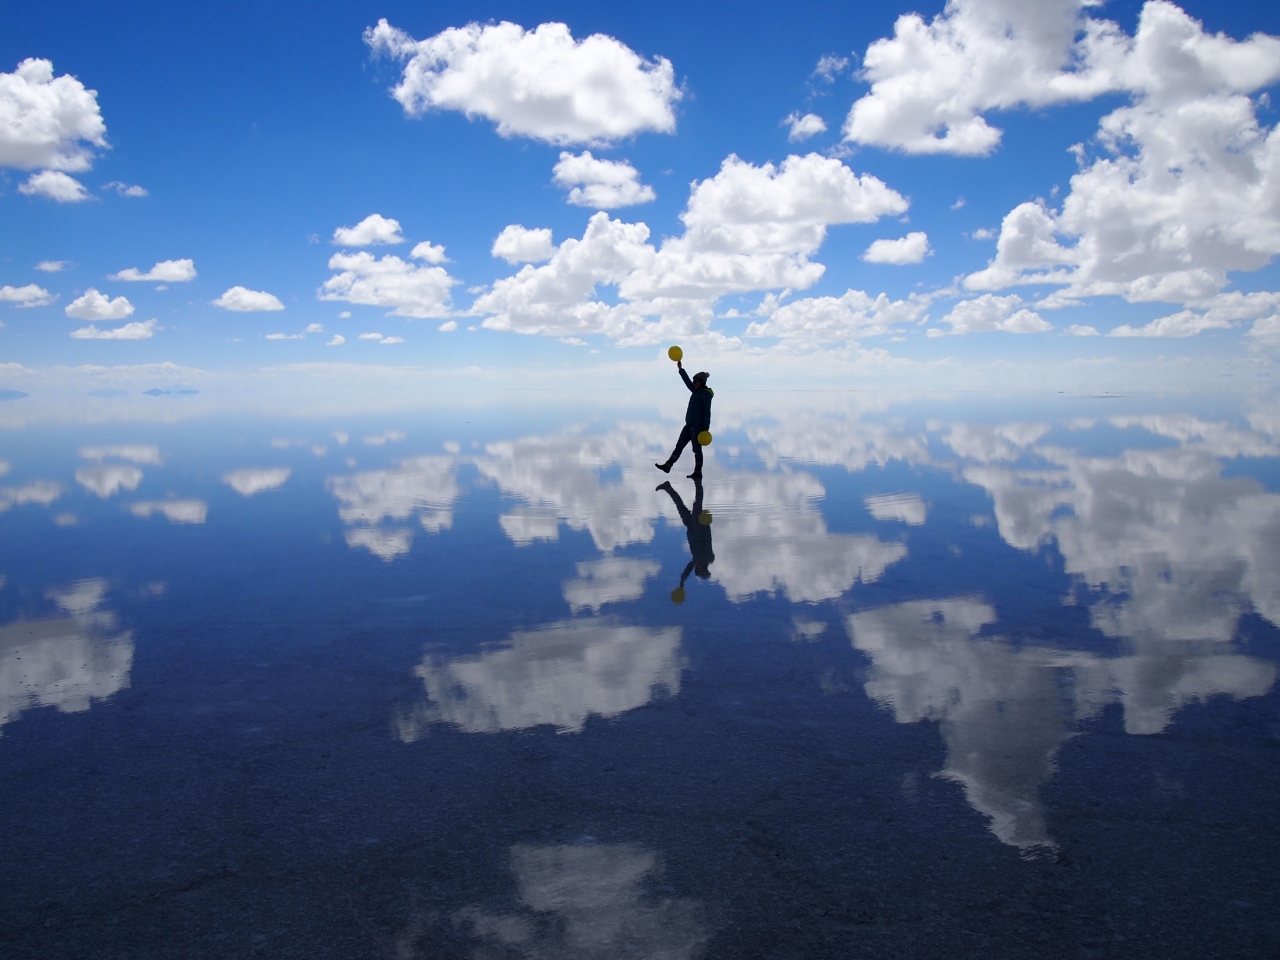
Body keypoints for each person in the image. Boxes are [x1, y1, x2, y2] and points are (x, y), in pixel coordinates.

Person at [656, 475, 713, 601]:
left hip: (691, 527)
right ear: (701, 568)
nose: (696, 567)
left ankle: (668, 487)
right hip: (698, 526)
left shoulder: (697, 560)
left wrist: (682, 581)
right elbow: (708, 541)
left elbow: (688, 568)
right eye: (698, 569)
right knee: (697, 502)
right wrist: (706, 525)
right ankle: (698, 481)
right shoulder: (707, 557)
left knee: (680, 505)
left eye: (696, 569)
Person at [656, 360, 712, 479]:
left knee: (697, 450)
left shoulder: (705, 395)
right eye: (694, 381)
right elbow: (687, 382)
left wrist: (706, 428)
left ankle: (698, 472)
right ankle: (668, 466)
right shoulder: (696, 391)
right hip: (688, 425)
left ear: (702, 382)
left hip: (697, 427)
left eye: (696, 381)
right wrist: (681, 369)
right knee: (679, 446)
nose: (694, 383)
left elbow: (707, 412)